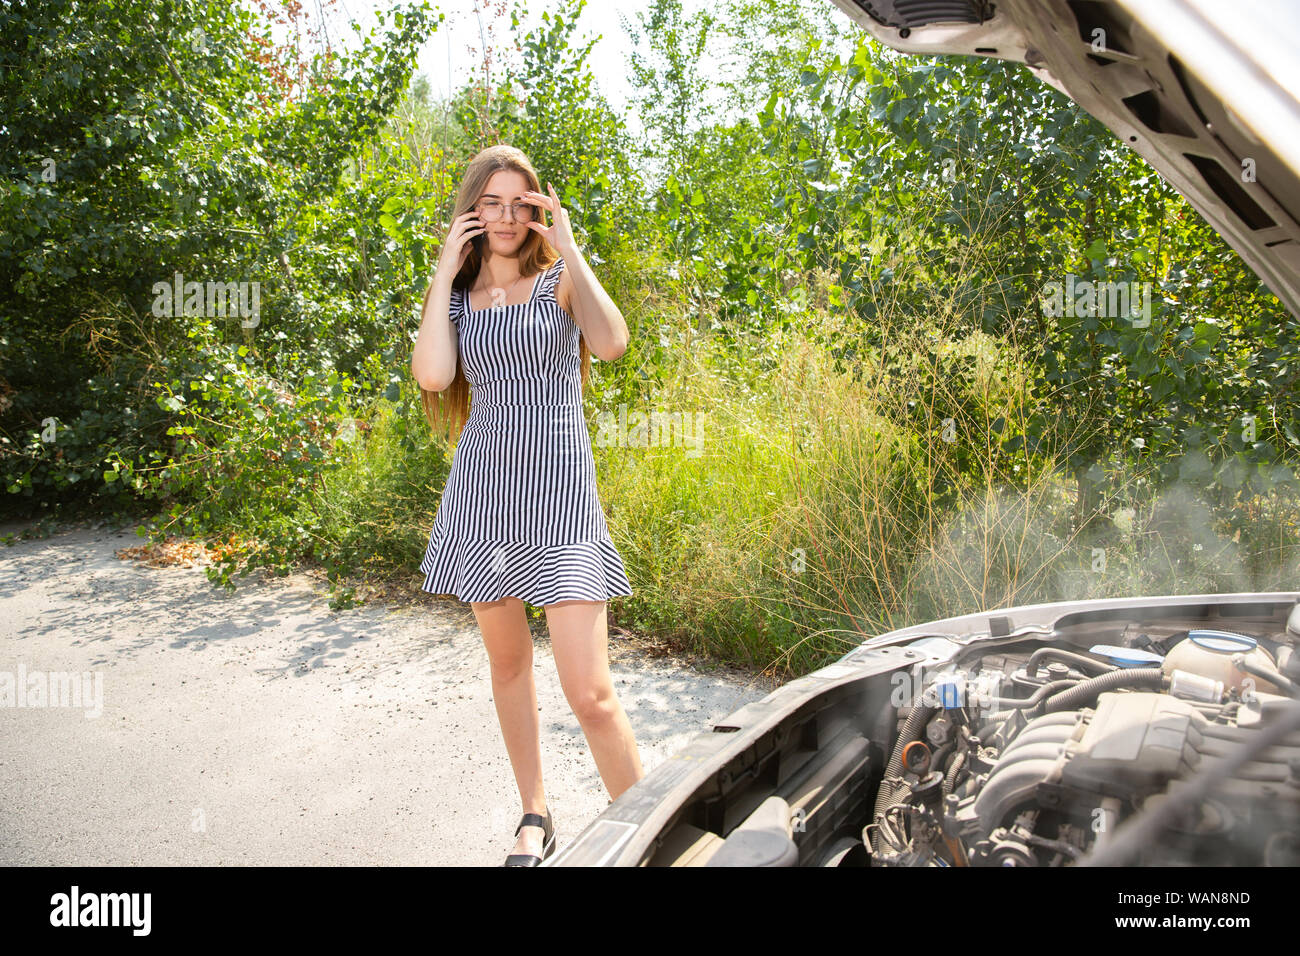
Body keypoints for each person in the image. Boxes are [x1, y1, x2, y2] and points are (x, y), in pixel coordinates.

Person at [409, 144, 644, 866]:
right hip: (484, 500)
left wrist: (570, 246)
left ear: (537, 210)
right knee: (509, 668)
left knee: (591, 694)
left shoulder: (557, 283)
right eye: (491, 203)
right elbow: (433, 372)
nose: (506, 217)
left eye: (520, 203)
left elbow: (611, 344)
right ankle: (535, 813)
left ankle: (646, 830)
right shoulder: (459, 296)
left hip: (563, 502)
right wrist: (444, 273)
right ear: (471, 211)